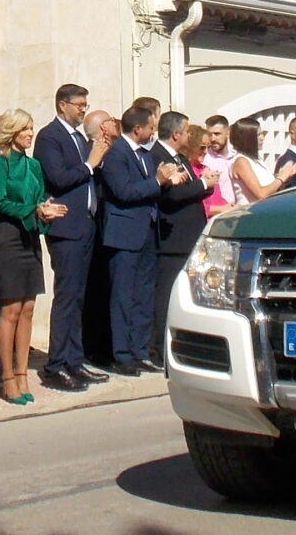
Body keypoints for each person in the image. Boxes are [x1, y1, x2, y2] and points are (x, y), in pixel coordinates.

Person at [34, 84, 110, 390]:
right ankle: (56, 365)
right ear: (62, 105)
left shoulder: (80, 137)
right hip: (66, 227)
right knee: (66, 296)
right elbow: (59, 178)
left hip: (86, 224)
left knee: (79, 296)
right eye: (79, 104)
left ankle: (74, 360)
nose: (83, 109)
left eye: (85, 104)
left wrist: (95, 160)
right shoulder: (50, 136)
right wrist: (91, 163)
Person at [96, 102, 174, 377]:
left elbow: (150, 187)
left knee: (143, 295)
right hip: (124, 233)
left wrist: (165, 181)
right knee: (123, 296)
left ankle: (140, 350)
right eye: (151, 127)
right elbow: (124, 191)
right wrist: (158, 182)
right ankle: (122, 353)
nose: (153, 133)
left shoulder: (146, 155)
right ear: (137, 128)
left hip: (147, 231)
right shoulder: (117, 154)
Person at [0, 109, 57, 401]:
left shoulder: (35, 165)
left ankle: (23, 372)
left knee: (28, 307)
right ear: (12, 132)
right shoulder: (0, 164)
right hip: (9, 239)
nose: (30, 133)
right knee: (10, 309)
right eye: (25, 129)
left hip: (30, 239)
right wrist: (31, 210)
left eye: (31, 128)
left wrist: (46, 212)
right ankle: (6, 376)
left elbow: (40, 198)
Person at [151, 112, 212, 364]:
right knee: (165, 296)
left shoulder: (180, 157)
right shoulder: (159, 156)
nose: (189, 135)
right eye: (186, 131)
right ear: (176, 134)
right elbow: (172, 196)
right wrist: (203, 184)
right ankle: (158, 349)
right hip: (172, 240)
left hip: (189, 238)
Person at [221, 122, 289, 207]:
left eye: (262, 134)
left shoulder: (257, 159)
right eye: (258, 135)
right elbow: (261, 193)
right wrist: (281, 178)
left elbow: (270, 188)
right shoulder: (241, 161)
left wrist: (285, 175)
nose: (262, 138)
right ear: (247, 139)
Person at [199, 117, 235, 212]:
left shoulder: (237, 157)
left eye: (217, 134)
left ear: (228, 133)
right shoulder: (204, 160)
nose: (212, 139)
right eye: (210, 134)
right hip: (217, 217)